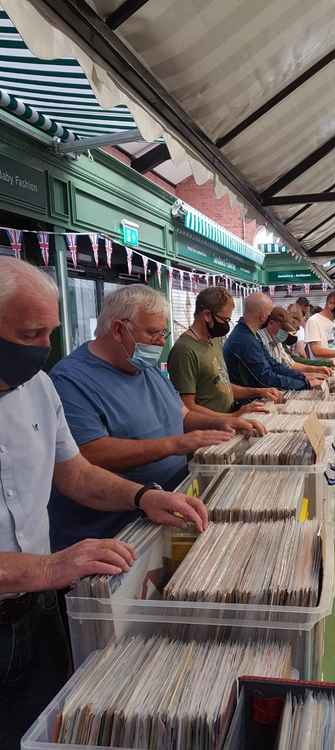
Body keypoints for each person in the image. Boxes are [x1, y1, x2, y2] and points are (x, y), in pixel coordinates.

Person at [0, 258, 209, 750]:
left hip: (40, 612)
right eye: (29, 334)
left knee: (49, 724)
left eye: (49, 333)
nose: (43, 350)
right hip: (38, 586)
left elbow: (75, 473)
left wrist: (142, 497)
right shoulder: (71, 378)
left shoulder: (39, 388)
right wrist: (47, 567)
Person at [48, 284, 235, 551]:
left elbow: (181, 415)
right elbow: (89, 453)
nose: (161, 342)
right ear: (118, 329)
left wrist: (225, 421)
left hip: (165, 510)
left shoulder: (143, 367)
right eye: (152, 333)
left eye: (163, 332)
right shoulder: (69, 380)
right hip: (112, 533)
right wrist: (175, 444)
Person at [167, 286, 280, 420]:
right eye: (225, 320)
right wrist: (230, 417)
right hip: (209, 431)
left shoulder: (214, 340)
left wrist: (258, 391)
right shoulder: (184, 351)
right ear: (207, 315)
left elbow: (222, 386)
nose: (227, 325)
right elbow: (187, 407)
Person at [223, 292, 317, 391]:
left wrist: (303, 379)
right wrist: (304, 384)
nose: (285, 334)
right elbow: (266, 378)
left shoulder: (250, 335)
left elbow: (274, 365)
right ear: (263, 316)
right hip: (246, 401)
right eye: (269, 314)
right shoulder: (245, 340)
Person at [257, 306, 332, 381]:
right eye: (282, 329)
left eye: (286, 331)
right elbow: (269, 374)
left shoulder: (277, 341)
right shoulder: (259, 340)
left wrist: (316, 369)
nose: (285, 334)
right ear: (271, 323)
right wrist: (305, 376)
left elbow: (291, 364)